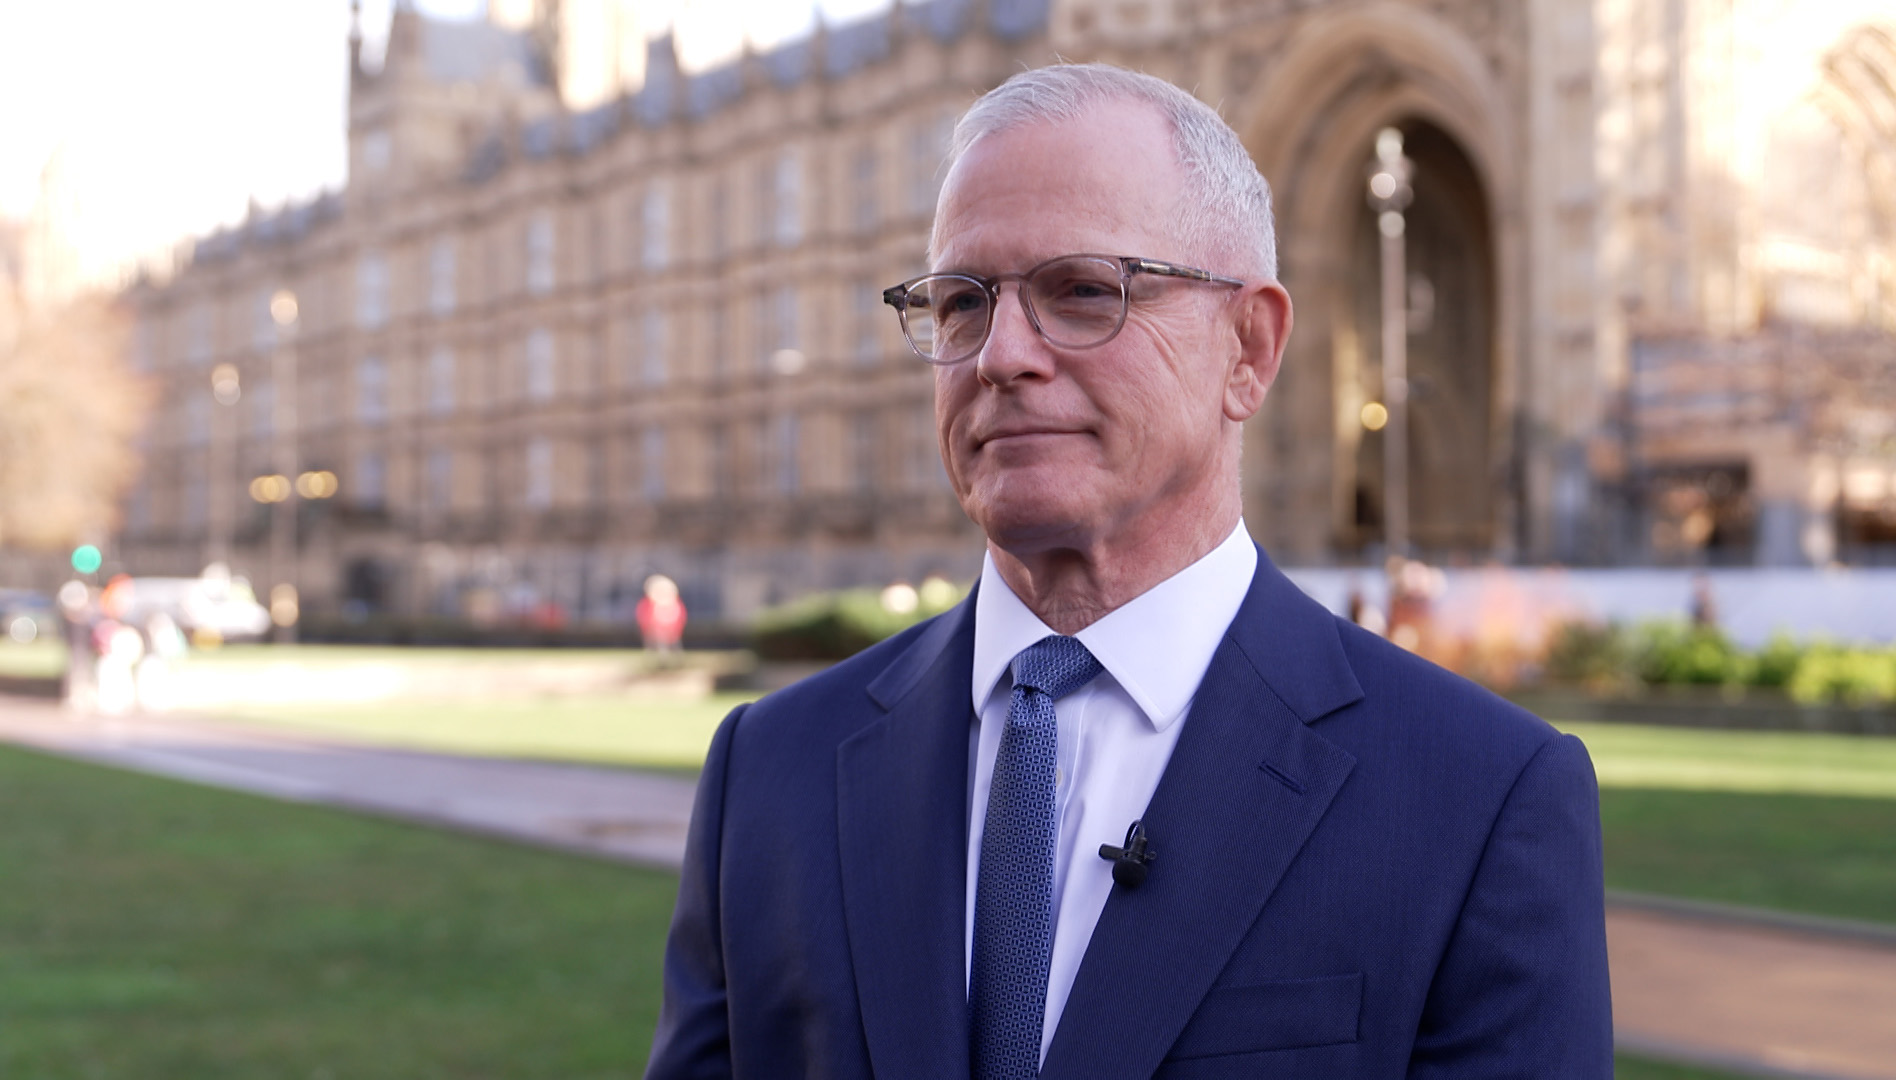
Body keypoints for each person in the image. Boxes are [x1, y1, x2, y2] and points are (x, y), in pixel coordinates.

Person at [648, 63, 1610, 1078]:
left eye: (1083, 292)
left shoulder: (1479, 799)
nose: (1000, 355)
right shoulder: (771, 771)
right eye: (962, 303)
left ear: (1249, 346)